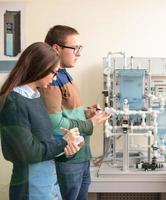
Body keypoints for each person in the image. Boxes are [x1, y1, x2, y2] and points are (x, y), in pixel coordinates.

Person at [0, 42, 83, 200]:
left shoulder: (35, 96)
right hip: (30, 188)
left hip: (47, 183)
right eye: (54, 72)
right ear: (39, 68)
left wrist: (68, 148)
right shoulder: (15, 102)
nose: (55, 77)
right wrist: (62, 142)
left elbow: (43, 144)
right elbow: (27, 152)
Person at [39, 25, 110, 200]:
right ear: (57, 48)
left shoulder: (63, 75)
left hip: (81, 155)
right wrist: (90, 124)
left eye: (80, 48)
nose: (78, 53)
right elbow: (55, 124)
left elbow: (67, 112)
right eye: (75, 48)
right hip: (69, 158)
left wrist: (87, 113)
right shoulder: (51, 79)